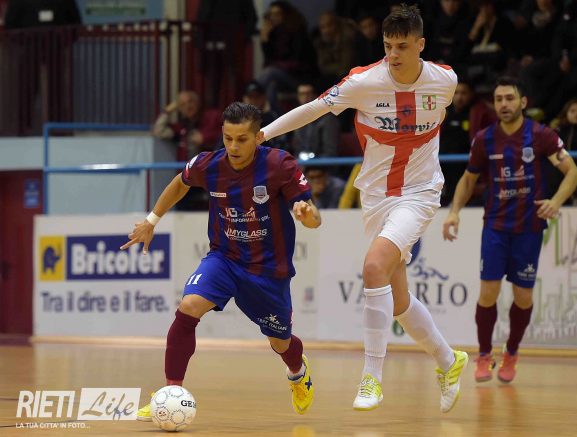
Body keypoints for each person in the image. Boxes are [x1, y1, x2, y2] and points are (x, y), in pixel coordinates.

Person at [259, 4, 468, 413]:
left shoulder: (445, 81)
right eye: (388, 45)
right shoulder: (363, 82)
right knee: (399, 301)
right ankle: (449, 360)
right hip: (375, 196)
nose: (393, 54)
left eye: (402, 46)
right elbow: (313, 109)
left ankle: (371, 377)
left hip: (419, 192)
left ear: (420, 45)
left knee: (373, 268)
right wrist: (262, 134)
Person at [122, 102, 321, 418]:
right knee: (188, 308)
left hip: (268, 270)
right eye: (228, 138)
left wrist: (306, 214)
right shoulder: (209, 165)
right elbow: (180, 183)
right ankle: (171, 392)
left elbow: (314, 219)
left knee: (280, 342)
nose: (233, 147)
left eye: (242, 139)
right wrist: (151, 220)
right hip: (225, 258)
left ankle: (297, 373)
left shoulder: (279, 164)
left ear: (258, 137)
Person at [442, 77, 577, 384]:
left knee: (523, 297)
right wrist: (453, 212)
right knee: (488, 292)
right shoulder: (485, 139)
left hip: (529, 228)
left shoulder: (541, 135)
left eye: (509, 98)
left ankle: (512, 352)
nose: (504, 104)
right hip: (495, 226)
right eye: (499, 99)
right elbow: (468, 179)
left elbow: (572, 172)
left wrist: (556, 201)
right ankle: (483, 354)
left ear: (523, 102)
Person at [152, 90, 222, 162]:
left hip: (213, 165)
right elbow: (159, 130)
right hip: (187, 167)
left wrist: (206, 138)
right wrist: (167, 110)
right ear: (180, 109)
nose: (188, 106)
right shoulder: (182, 127)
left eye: (190, 102)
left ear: (197, 102)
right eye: (182, 105)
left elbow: (225, 134)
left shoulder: (213, 116)